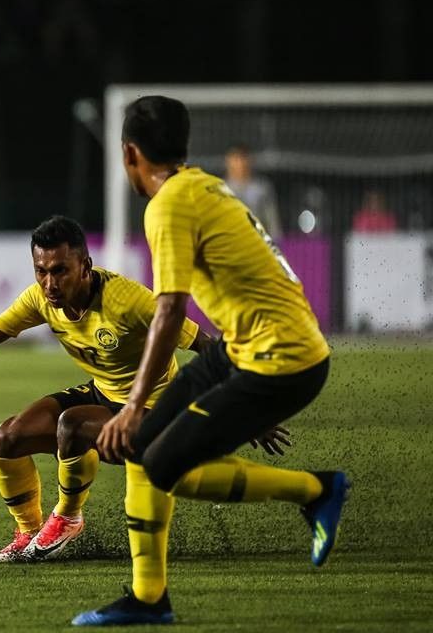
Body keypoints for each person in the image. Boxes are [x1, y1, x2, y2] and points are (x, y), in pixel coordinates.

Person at [68, 96, 349, 626]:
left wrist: (130, 405)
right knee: (143, 447)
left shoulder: (169, 204)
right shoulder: (204, 186)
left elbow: (169, 311)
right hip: (248, 348)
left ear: (129, 153)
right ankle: (148, 598)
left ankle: (318, 489)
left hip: (280, 360)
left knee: (162, 462)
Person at [0, 215, 213, 564]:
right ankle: (28, 532)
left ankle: (68, 518)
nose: (49, 282)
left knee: (72, 424)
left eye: (59, 271)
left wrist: (246, 403)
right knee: (7, 438)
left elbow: (204, 343)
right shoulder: (40, 299)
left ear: (85, 266)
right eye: (41, 271)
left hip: (153, 412)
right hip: (104, 395)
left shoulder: (127, 299)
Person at [224, 145, 282, 239]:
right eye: (236, 159)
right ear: (228, 161)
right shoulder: (220, 189)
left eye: (243, 159)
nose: (240, 164)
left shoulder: (262, 189)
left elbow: (272, 220)